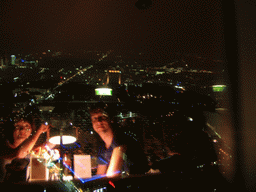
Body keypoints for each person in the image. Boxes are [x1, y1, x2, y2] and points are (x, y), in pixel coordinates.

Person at [89, 105, 149, 177]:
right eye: (94, 118)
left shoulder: (121, 141)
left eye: (103, 117)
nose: (98, 121)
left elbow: (112, 176)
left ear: (110, 120)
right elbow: (100, 175)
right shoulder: (102, 147)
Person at [0, 112, 49, 182]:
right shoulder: (3, 148)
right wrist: (39, 131)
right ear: (10, 128)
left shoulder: (29, 149)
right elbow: (19, 154)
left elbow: (46, 146)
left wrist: (49, 130)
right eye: (17, 126)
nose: (22, 130)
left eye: (27, 126)